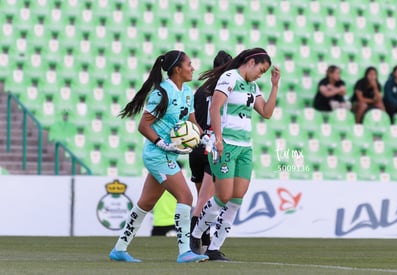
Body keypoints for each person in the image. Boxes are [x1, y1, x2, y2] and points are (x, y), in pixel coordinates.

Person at [109, 50, 209, 263]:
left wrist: (203, 136)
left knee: (146, 203)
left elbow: (192, 123)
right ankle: (185, 252)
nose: (193, 68)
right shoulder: (161, 93)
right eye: (189, 64)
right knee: (186, 197)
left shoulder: (188, 92)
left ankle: (119, 249)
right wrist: (161, 142)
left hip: (168, 156)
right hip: (157, 154)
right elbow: (143, 125)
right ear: (177, 69)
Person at [190, 48, 281, 261]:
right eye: (261, 69)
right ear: (250, 61)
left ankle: (214, 248)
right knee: (222, 196)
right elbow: (216, 109)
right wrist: (219, 139)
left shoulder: (253, 86)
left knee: (237, 198)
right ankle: (194, 235)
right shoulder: (229, 78)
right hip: (226, 145)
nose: (261, 74)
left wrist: (275, 86)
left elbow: (266, 113)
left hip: (244, 147)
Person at [189, 50, 232, 252]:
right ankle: (193, 245)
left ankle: (204, 244)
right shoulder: (226, 91)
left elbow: (193, 119)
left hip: (196, 147)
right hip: (212, 148)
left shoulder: (200, 91)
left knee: (201, 199)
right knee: (206, 202)